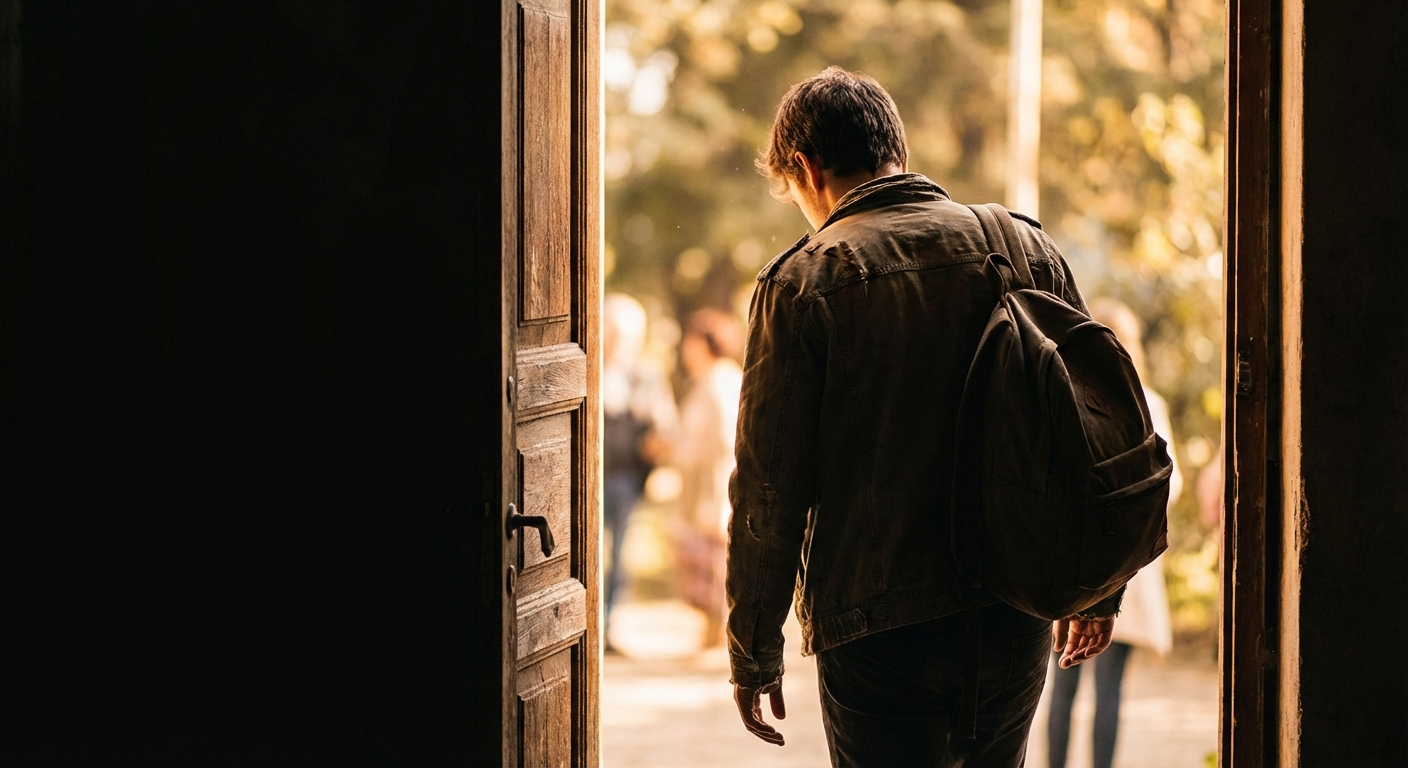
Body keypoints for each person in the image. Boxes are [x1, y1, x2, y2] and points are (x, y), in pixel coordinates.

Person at [725, 66, 1124, 767]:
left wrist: (754, 647)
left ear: (806, 167)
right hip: (1013, 606)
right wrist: (1099, 587)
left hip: (875, 626)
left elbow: (770, 486)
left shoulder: (803, 281)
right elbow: (1093, 424)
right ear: (897, 153)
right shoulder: (1024, 246)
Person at [1045, 298, 1182, 768]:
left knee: (1064, 685)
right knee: (1106, 691)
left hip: (1075, 566)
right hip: (1130, 569)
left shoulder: (1065, 398)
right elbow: (1169, 484)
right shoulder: (1149, 403)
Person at [602, 294, 677, 644]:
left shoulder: (645, 375)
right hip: (591, 477)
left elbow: (665, 424)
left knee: (619, 554)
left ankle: (609, 623)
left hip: (626, 479)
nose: (618, 340)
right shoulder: (591, 367)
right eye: (613, 331)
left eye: (625, 333)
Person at [671, 308, 746, 649]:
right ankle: (713, 630)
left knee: (714, 560)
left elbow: (716, 442)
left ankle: (717, 632)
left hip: (713, 484)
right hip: (710, 482)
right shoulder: (723, 378)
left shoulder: (717, 383)